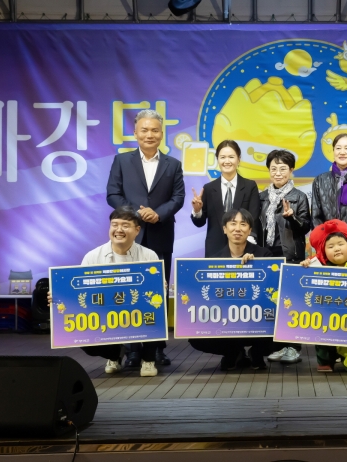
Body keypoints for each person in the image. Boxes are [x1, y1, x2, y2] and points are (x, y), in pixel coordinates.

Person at [106, 109, 185, 366]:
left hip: (161, 234)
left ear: (162, 134)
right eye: (144, 130)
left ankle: (157, 348)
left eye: (154, 130)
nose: (149, 134)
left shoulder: (173, 164)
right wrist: (136, 213)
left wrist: (158, 213)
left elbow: (178, 198)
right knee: (129, 292)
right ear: (135, 133)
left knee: (157, 291)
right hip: (129, 236)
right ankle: (132, 350)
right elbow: (113, 194)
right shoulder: (122, 161)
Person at [49, 206, 163, 377]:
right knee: (83, 337)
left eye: (125, 225)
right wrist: (58, 296)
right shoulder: (92, 256)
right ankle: (115, 355)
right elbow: (78, 291)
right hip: (104, 315)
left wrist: (161, 288)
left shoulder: (149, 256)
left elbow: (157, 289)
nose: (119, 230)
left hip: (138, 314)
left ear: (137, 230)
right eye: (114, 225)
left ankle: (148, 359)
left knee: (157, 308)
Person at [189, 209, 274, 371]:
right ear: (224, 229)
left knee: (286, 332)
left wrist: (257, 265)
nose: (238, 229)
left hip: (257, 322)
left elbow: (273, 290)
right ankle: (233, 352)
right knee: (195, 337)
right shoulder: (214, 260)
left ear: (250, 230)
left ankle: (257, 352)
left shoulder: (264, 255)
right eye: (233, 224)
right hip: (226, 323)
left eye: (243, 224)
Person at [301, 219, 347, 373]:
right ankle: (325, 359)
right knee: (319, 319)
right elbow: (300, 287)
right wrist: (304, 268)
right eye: (330, 246)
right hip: (330, 320)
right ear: (323, 251)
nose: (336, 249)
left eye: (341, 244)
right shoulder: (319, 268)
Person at [259, 149, 311, 364]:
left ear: (291, 171)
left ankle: (294, 348)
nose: (278, 173)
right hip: (267, 254)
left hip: (290, 254)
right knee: (272, 301)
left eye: (283, 169)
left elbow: (306, 227)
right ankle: (279, 346)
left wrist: (292, 218)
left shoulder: (299, 197)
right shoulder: (262, 197)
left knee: (291, 301)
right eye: (274, 169)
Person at [191, 140, 260, 257]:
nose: (227, 161)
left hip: (243, 248)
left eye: (231, 157)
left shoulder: (250, 186)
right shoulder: (209, 188)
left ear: (238, 159)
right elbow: (200, 223)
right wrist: (197, 211)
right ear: (217, 160)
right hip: (215, 248)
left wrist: (249, 245)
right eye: (222, 157)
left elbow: (254, 217)